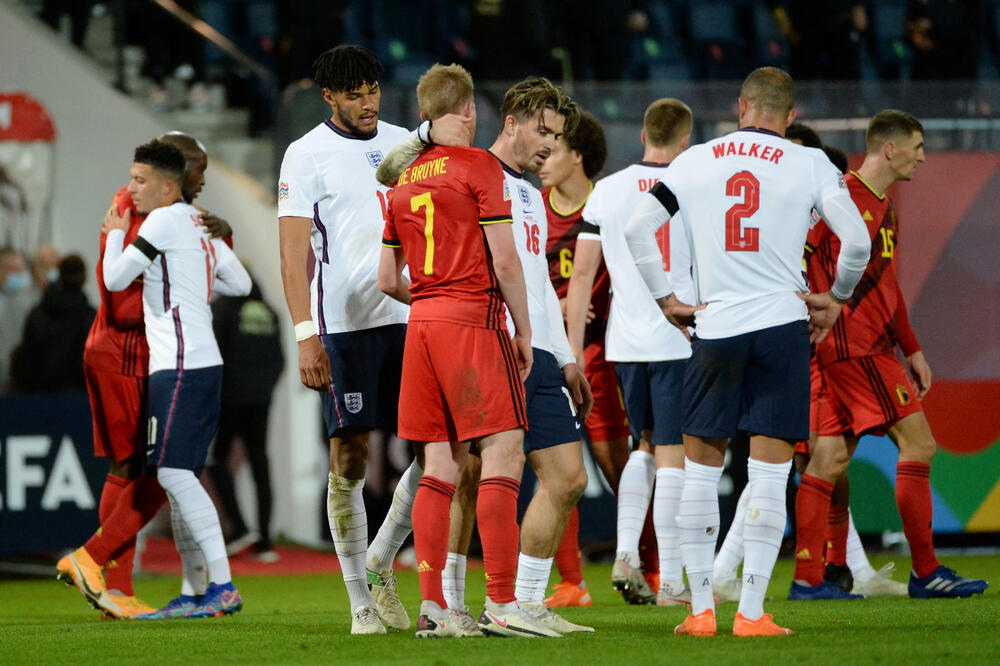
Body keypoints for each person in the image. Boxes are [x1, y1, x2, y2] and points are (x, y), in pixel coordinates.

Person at [624, 67, 871, 636]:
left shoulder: (695, 160)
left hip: (715, 325)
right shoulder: (812, 163)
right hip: (782, 327)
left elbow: (641, 229)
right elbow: (856, 240)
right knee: (767, 475)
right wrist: (834, 299)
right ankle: (754, 614)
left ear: (740, 107)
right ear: (790, 116)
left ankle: (702, 611)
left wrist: (667, 300)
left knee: (699, 475)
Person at [377, 75, 592, 637]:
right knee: (495, 461)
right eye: (542, 130)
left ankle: (444, 607)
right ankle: (496, 602)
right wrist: (509, 325)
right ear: (505, 118)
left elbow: (386, 277)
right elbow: (507, 266)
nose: (550, 144)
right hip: (482, 326)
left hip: (448, 328)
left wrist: (562, 352)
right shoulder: (477, 170)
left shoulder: (414, 178)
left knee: (456, 470)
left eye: (558, 135)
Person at [276, 45, 466, 634]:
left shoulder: (408, 145)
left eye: (373, 91)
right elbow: (293, 253)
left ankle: (383, 555)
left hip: (417, 316)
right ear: (328, 96)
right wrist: (306, 334)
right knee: (350, 453)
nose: (367, 102)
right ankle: (360, 596)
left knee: (439, 446)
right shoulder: (304, 154)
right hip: (348, 327)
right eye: (354, 93)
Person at [792, 109, 989, 600]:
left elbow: (888, 286)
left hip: (865, 346)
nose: (923, 156)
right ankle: (926, 572)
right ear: (889, 149)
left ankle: (808, 581)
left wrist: (914, 348)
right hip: (855, 347)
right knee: (919, 445)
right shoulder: (839, 200)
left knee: (830, 458)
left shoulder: (884, 206)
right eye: (917, 147)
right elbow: (796, 258)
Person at [58, 139, 251, 619]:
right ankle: (182, 588)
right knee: (163, 471)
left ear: (164, 184)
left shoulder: (164, 217)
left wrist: (123, 240)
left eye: (141, 180)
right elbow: (241, 284)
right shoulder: (177, 214)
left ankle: (105, 565)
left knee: (166, 473)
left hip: (175, 361)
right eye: (196, 169)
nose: (200, 178)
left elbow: (118, 279)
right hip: (154, 357)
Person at [567, 98, 697, 608]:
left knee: (642, 444)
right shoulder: (690, 186)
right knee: (671, 452)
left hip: (624, 343)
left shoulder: (607, 191)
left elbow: (581, 279)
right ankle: (669, 582)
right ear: (684, 141)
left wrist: (574, 351)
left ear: (644, 134)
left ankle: (625, 555)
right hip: (675, 335)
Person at [538, 111, 627, 608]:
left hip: (606, 351)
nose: (542, 159)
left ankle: (654, 572)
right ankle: (572, 583)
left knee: (620, 467)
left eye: (553, 149)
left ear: (579, 156)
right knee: (556, 467)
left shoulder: (611, 204)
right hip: (552, 351)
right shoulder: (533, 207)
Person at [210, 273, 284, 562]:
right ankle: (265, 541)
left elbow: (214, 354)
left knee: (218, 460)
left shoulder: (223, 309)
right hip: (260, 401)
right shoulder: (270, 313)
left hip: (229, 399)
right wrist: (263, 391)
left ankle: (240, 528)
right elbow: (279, 360)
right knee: (259, 465)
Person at [10, 254, 95, 392]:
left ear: (59, 275)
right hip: (78, 398)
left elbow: (27, 357)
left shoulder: (38, 313)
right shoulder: (90, 316)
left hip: (36, 396)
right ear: (84, 278)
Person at [0, 247, 34, 392]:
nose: (18, 275)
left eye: (21, 270)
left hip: (21, 379)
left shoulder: (29, 302)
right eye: (12, 269)